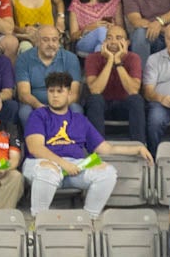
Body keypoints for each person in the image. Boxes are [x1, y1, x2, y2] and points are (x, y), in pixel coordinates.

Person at [23, 70, 152, 216]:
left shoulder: (80, 119)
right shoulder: (39, 115)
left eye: (60, 91)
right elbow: (35, 148)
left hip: (74, 166)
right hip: (41, 162)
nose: (55, 95)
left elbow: (105, 148)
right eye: (51, 91)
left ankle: (88, 219)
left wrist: (137, 148)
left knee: (107, 172)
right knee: (48, 170)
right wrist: (63, 164)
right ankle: (37, 221)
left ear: (69, 93)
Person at [14, 24, 82, 130]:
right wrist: (39, 106)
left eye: (54, 40)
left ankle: (71, 144)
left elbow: (74, 94)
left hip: (63, 103)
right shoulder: (24, 59)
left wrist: (57, 107)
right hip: (35, 104)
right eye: (45, 40)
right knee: (25, 112)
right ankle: (34, 143)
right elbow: (24, 94)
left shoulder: (70, 58)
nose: (51, 44)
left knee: (76, 110)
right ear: (37, 41)